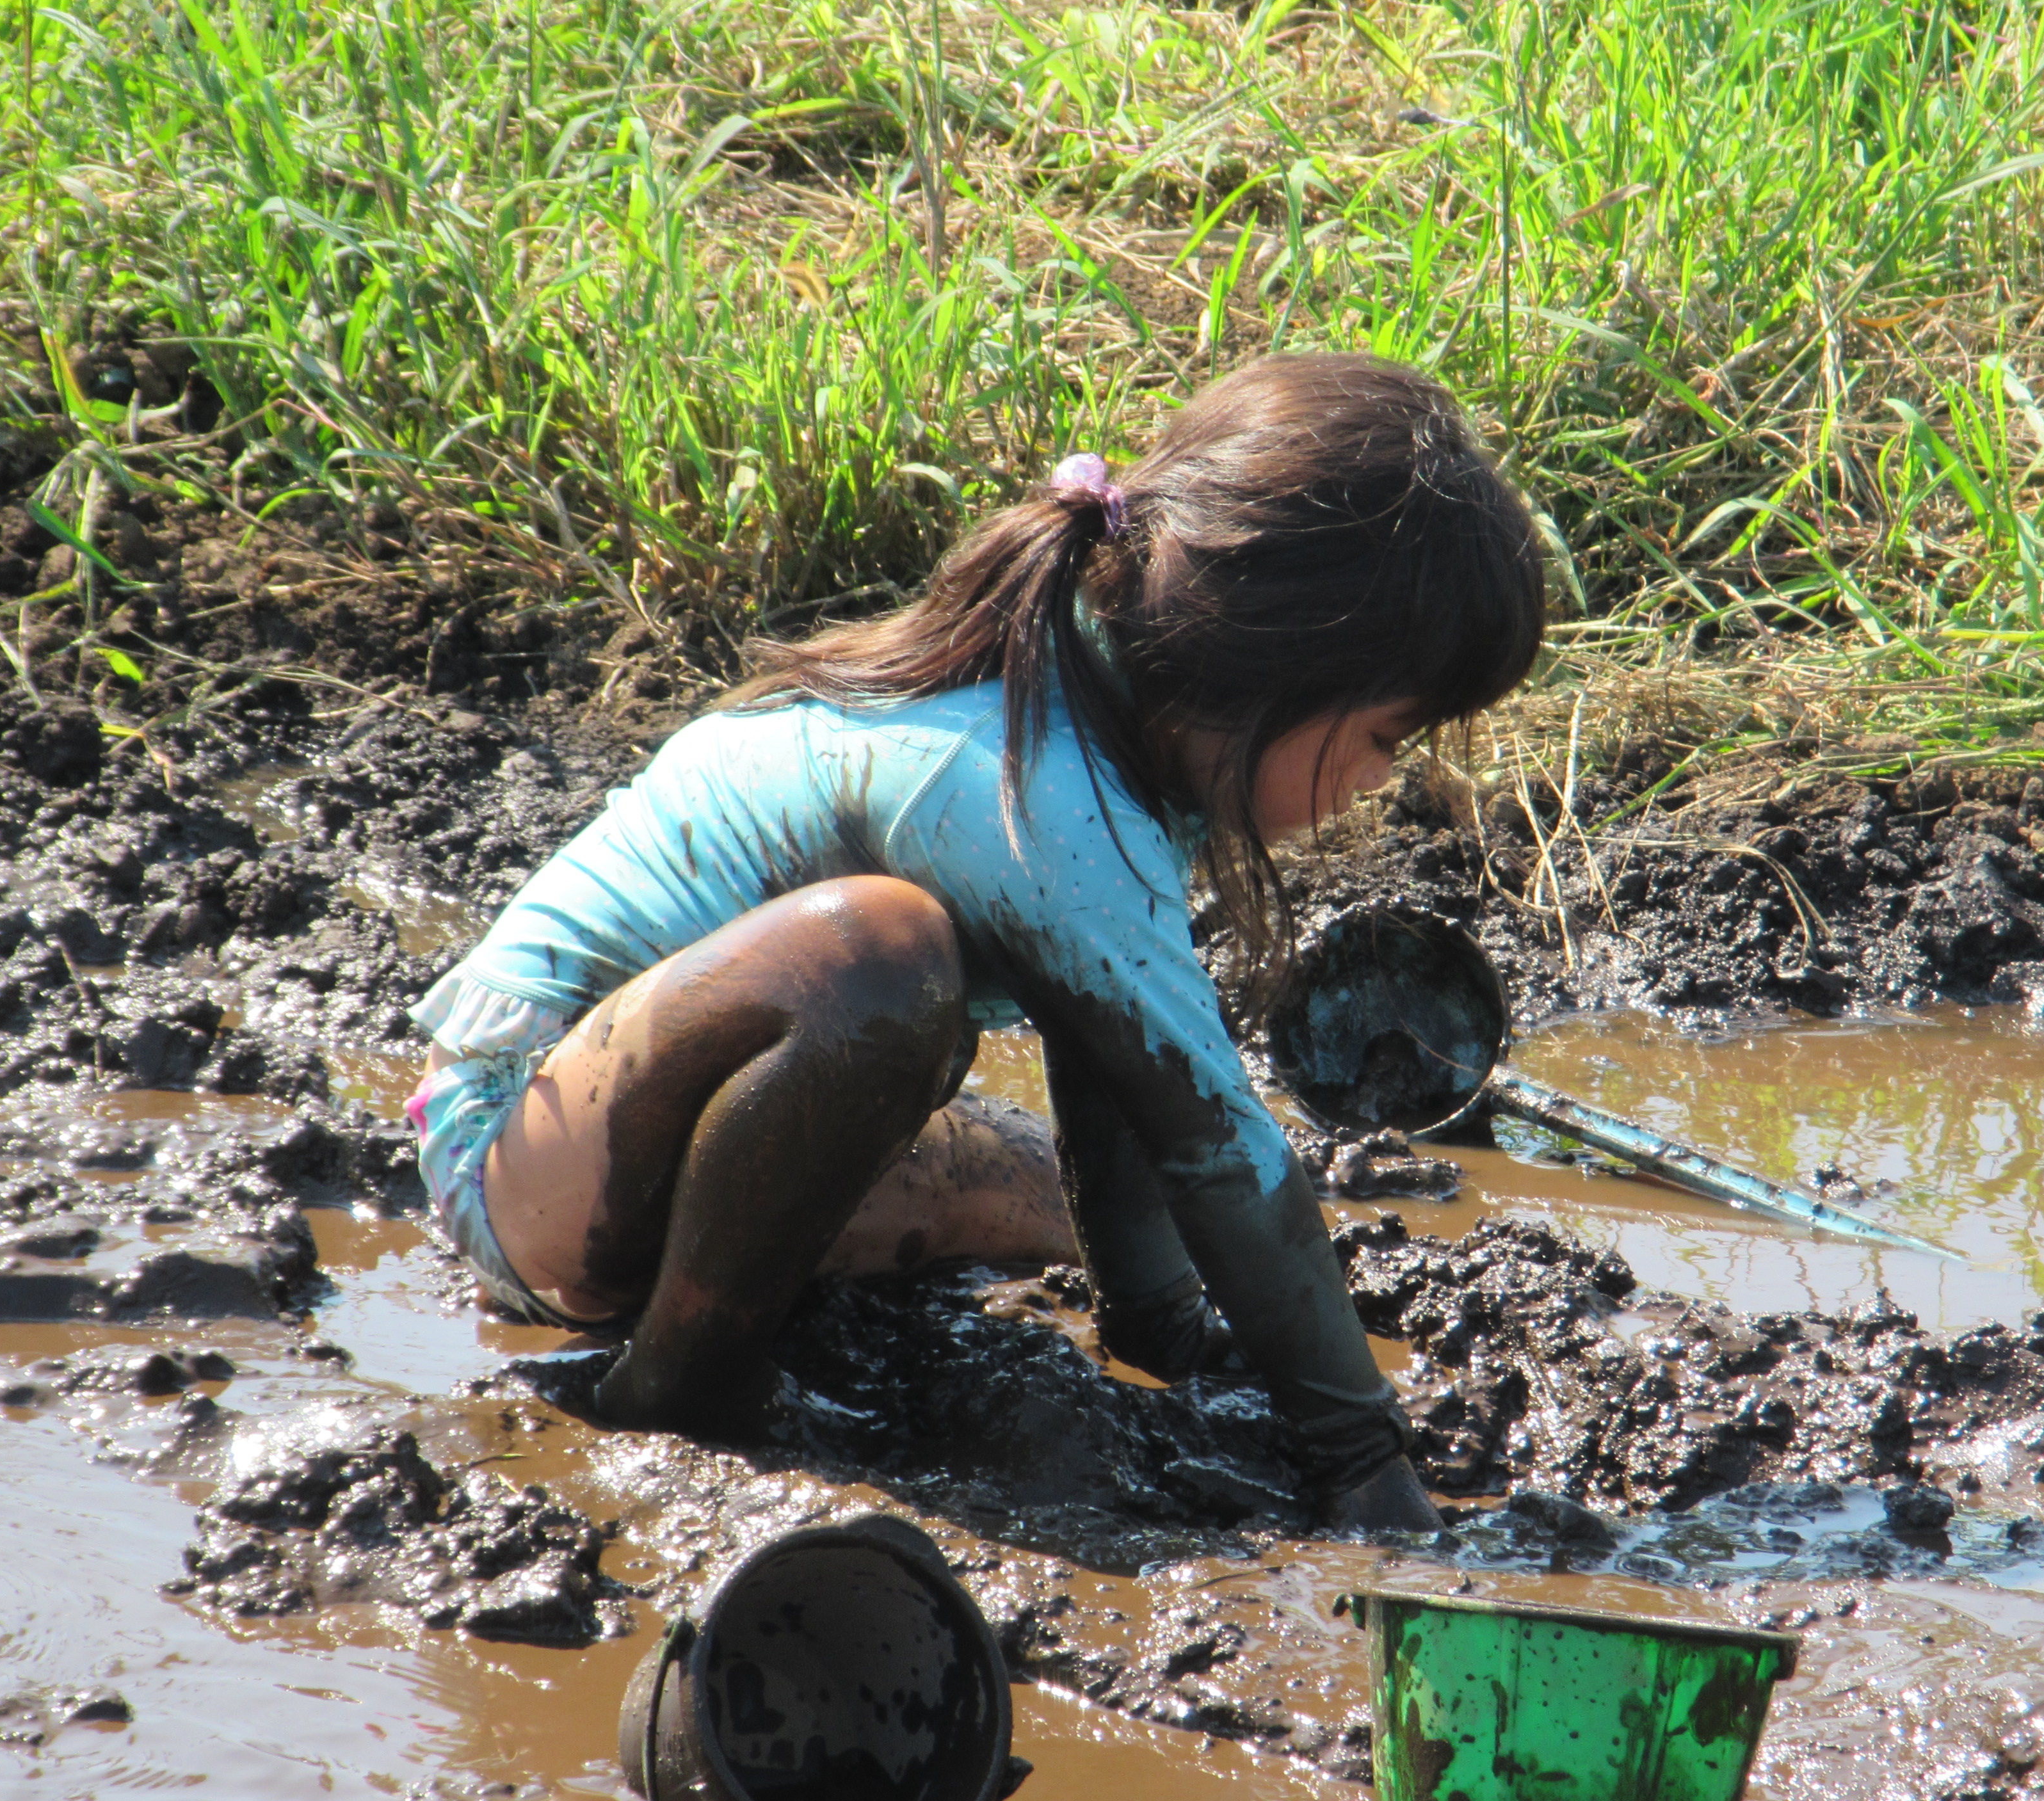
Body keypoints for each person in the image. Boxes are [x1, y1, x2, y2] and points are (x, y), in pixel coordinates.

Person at [405, 352, 1545, 1531]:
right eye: (1385, 738)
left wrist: (1164, 1330)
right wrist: (1366, 1464)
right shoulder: (1032, 796)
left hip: (668, 1126)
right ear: (1281, 667)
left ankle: (730, 1304)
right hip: (530, 1163)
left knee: (1041, 1189)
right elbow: (1222, 1151)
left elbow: (1133, 1085)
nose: (1379, 783)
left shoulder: (1120, 717)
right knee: (875, 954)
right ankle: (679, 1384)